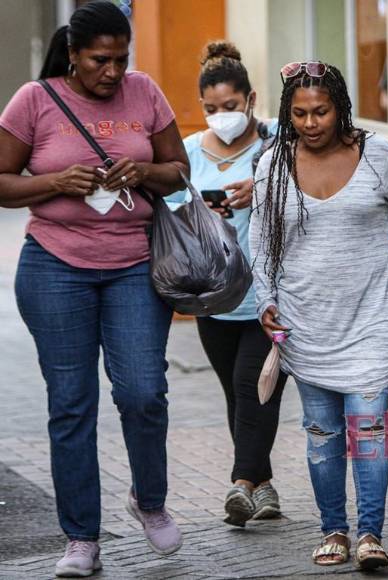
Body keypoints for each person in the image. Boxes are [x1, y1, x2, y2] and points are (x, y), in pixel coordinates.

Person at [0, 2, 189, 577]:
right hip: (55, 266)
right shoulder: (34, 100)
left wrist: (144, 173)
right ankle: (80, 538)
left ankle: (149, 501)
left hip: (135, 264)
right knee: (71, 404)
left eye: (121, 59)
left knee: (142, 392)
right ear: (74, 55)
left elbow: (179, 169)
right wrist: (55, 181)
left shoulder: (144, 92)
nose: (112, 71)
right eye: (100, 60)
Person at [249, 61, 388, 570]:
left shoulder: (376, 154)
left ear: (340, 107)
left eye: (321, 111)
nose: (310, 123)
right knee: (323, 434)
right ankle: (334, 530)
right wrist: (266, 299)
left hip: (372, 316)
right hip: (306, 321)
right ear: (287, 113)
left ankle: (371, 533)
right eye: (300, 114)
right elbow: (260, 241)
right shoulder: (273, 165)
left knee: (369, 428)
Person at [164, 41, 287, 528]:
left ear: (251, 99)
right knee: (239, 399)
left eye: (231, 107)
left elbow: (321, 156)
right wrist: (198, 209)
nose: (222, 116)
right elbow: (169, 210)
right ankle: (265, 486)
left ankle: (240, 485)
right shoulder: (190, 151)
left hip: (268, 296)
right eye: (212, 109)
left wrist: (264, 184)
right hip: (213, 295)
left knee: (254, 387)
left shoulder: (277, 144)